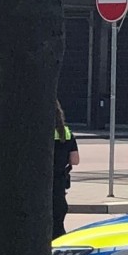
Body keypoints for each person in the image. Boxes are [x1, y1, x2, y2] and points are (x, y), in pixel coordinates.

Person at [52, 101, 79, 239]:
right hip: (59, 181)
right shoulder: (66, 133)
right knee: (58, 224)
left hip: (39, 183)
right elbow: (75, 160)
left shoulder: (36, 132)